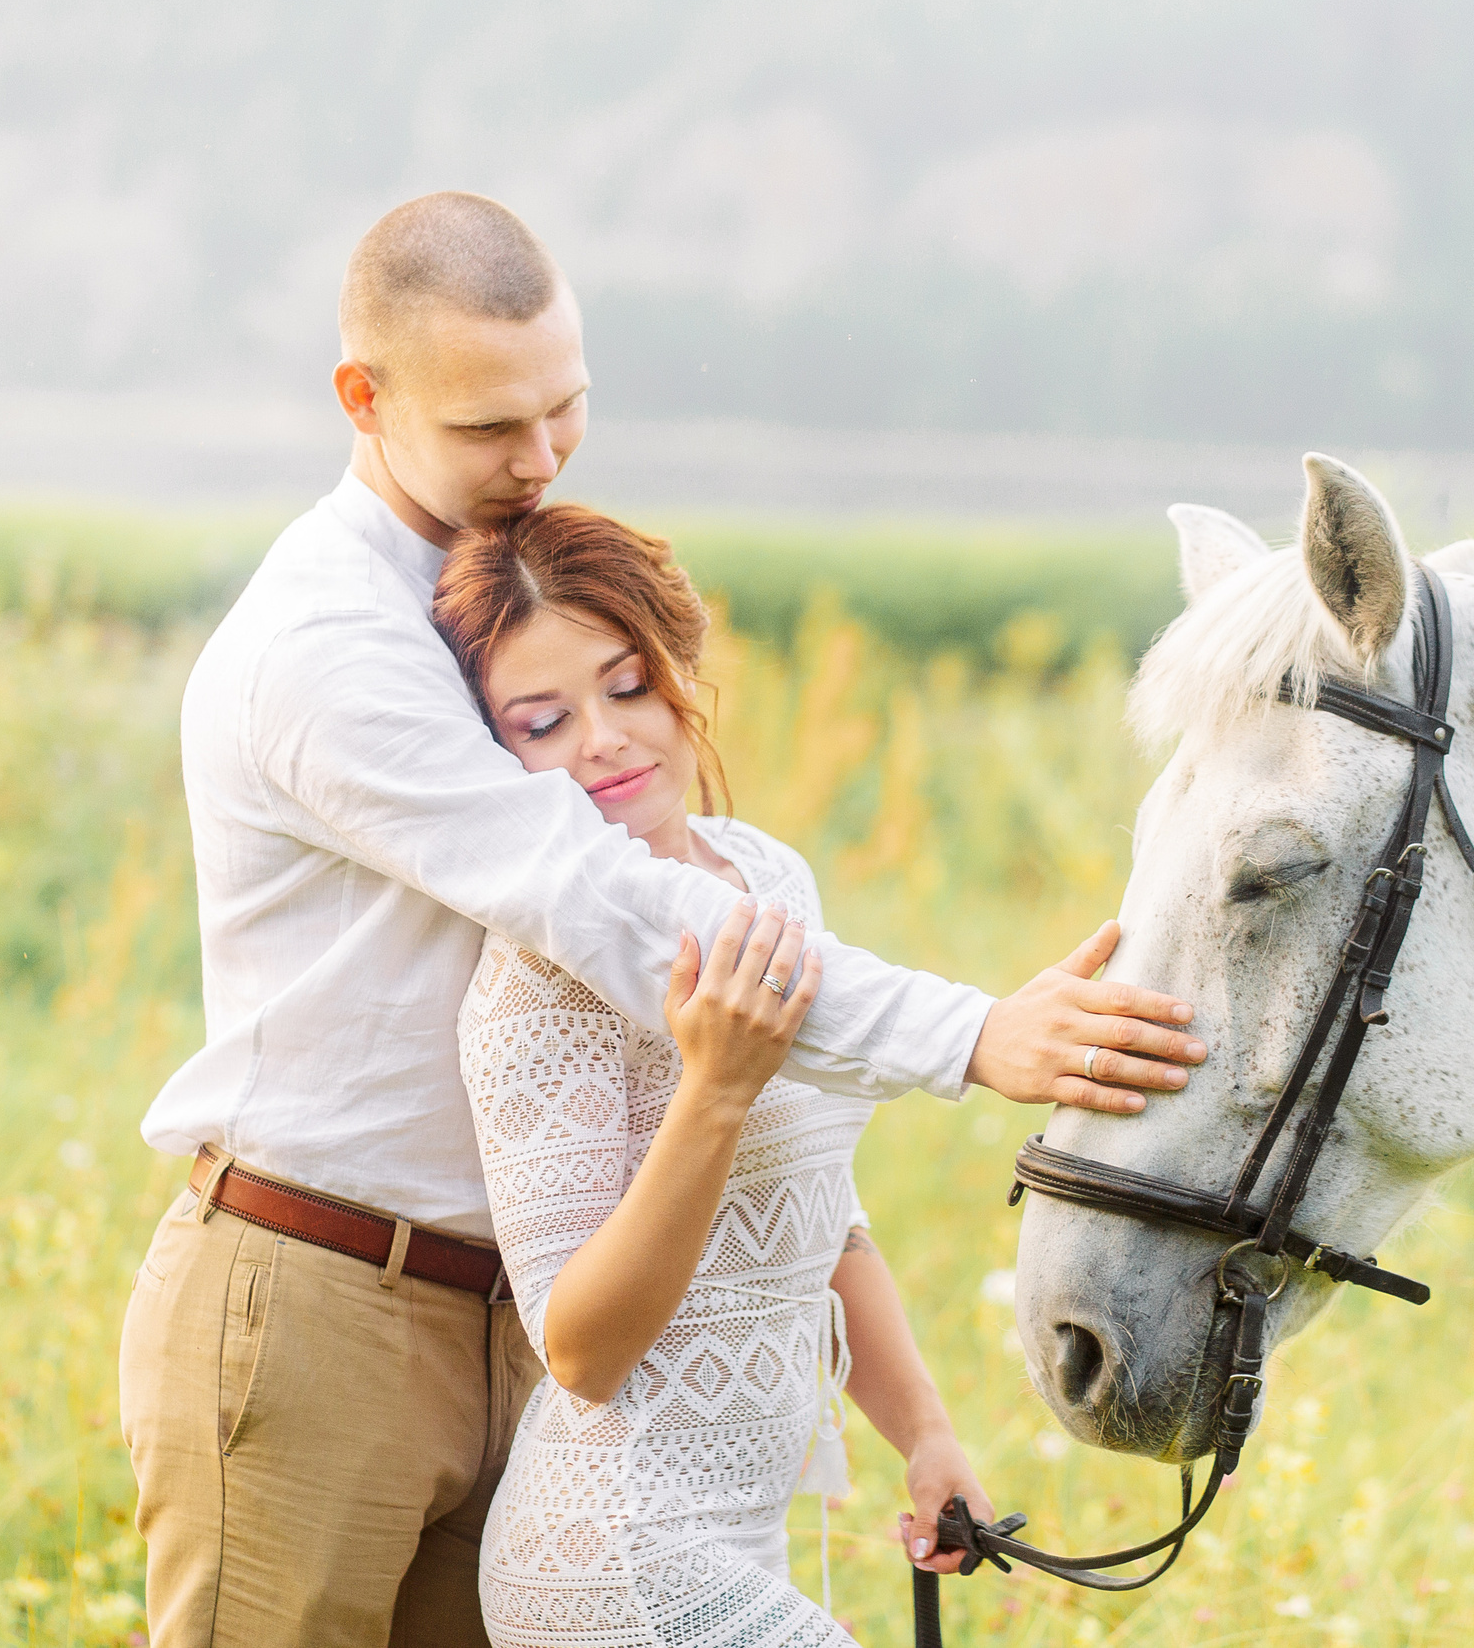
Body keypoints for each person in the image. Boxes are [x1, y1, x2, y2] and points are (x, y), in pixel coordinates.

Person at [117, 191, 1209, 1648]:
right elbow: (603, 899)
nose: (540, 458)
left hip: (522, 1322)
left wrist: (918, 1416)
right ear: (361, 399)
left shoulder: (499, 603)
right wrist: (975, 1034)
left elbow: (778, 1134)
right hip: (321, 1300)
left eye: (566, 407)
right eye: (490, 429)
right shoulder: (332, 647)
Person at [440, 503, 986, 1645]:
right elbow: (580, 1351)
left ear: (682, 673)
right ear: (494, 760)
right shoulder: (539, 974)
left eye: (630, 686)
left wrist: (925, 1435)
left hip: (739, 1535)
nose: (603, 739)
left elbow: (826, 1218)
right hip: (611, 1555)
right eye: (543, 722)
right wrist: (713, 1090)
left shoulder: (768, 879)